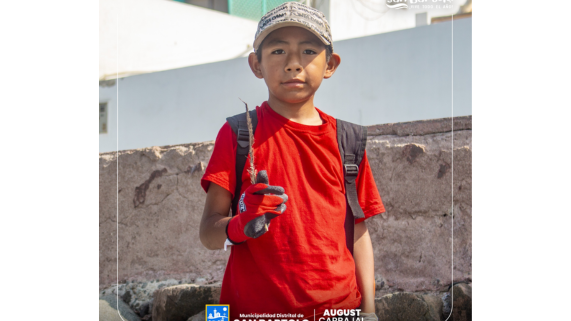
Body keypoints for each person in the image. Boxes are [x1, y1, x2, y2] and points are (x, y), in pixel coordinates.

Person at [199, 2, 385, 320]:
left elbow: (359, 232)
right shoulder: (238, 133)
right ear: (256, 65)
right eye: (278, 51)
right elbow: (208, 234)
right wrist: (240, 225)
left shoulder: (349, 141)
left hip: (339, 311)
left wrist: (368, 311)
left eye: (309, 51)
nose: (294, 64)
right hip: (254, 312)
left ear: (330, 64)